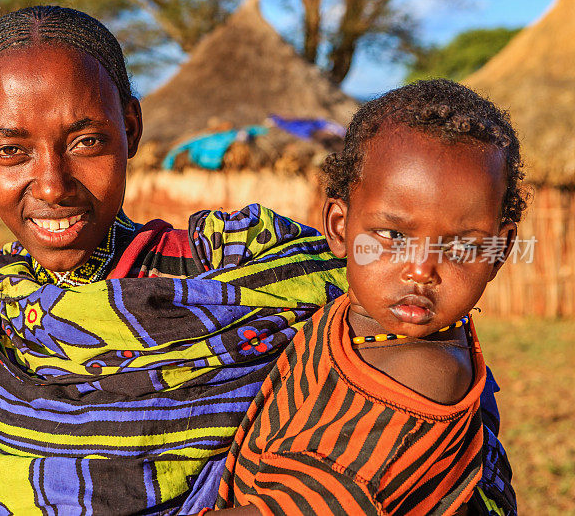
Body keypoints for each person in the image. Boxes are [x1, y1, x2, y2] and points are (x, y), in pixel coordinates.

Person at [0, 6, 512, 515]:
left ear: (131, 126)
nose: (51, 185)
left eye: (85, 142)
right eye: (11, 151)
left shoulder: (257, 273)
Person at [214, 80, 521, 515]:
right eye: (393, 235)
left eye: (460, 246)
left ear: (497, 251)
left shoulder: (425, 374)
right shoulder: (349, 316)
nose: (422, 270)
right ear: (340, 227)